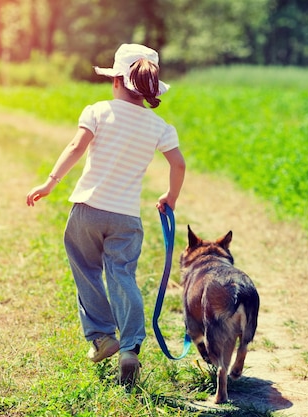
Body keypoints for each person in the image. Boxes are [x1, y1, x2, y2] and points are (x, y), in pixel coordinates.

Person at [25, 43, 186, 386]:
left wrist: (50, 183)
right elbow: (178, 164)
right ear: (150, 87)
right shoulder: (159, 126)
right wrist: (170, 196)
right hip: (126, 217)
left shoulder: (98, 111)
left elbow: (76, 147)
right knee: (122, 275)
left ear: (116, 80)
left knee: (86, 268)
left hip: (88, 209)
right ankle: (130, 349)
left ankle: (101, 336)